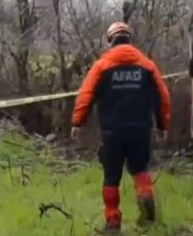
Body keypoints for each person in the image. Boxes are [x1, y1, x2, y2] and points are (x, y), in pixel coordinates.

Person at [71, 22, 170, 234]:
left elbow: (85, 95)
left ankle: (113, 223)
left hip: (111, 131)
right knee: (140, 169)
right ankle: (145, 197)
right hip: (141, 129)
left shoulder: (102, 66)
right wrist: (162, 125)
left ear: (111, 40)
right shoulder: (147, 66)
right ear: (129, 39)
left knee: (111, 177)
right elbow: (162, 97)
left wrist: (78, 122)